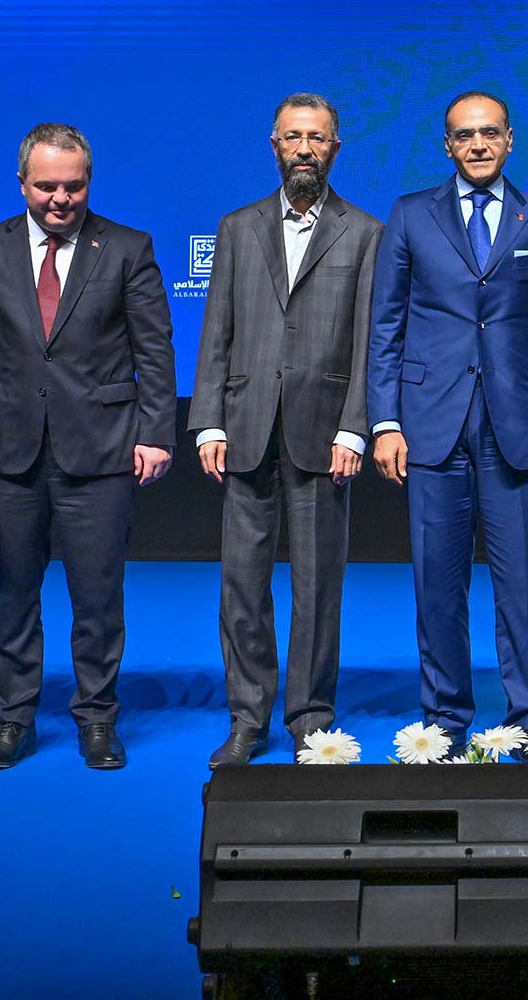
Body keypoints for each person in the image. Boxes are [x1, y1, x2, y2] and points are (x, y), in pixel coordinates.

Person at [0, 123, 176, 771]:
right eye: (47, 186)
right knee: (10, 592)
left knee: (98, 597)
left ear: (88, 182)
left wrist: (156, 432)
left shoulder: (127, 247)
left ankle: (97, 718)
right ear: (22, 183)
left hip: (101, 452)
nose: (61, 199)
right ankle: (12, 719)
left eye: (74, 186)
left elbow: (155, 350)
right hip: (5, 453)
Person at [367, 91, 528, 741]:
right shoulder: (410, 215)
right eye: (465, 135)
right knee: (437, 585)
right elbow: (385, 325)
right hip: (430, 425)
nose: (478, 144)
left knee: (523, 586)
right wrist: (385, 422)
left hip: (518, 426)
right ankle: (444, 719)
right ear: (447, 146)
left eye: (490, 132)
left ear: (510, 139)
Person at [191, 94, 383, 769]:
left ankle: (310, 720)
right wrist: (207, 420)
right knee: (241, 586)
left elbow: (370, 342)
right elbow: (216, 331)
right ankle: (248, 718)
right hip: (244, 428)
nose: (305, 149)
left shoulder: (366, 232)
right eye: (294, 137)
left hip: (324, 436)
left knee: (317, 588)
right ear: (274, 144)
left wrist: (355, 428)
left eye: (318, 138)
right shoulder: (236, 227)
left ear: (336, 148)